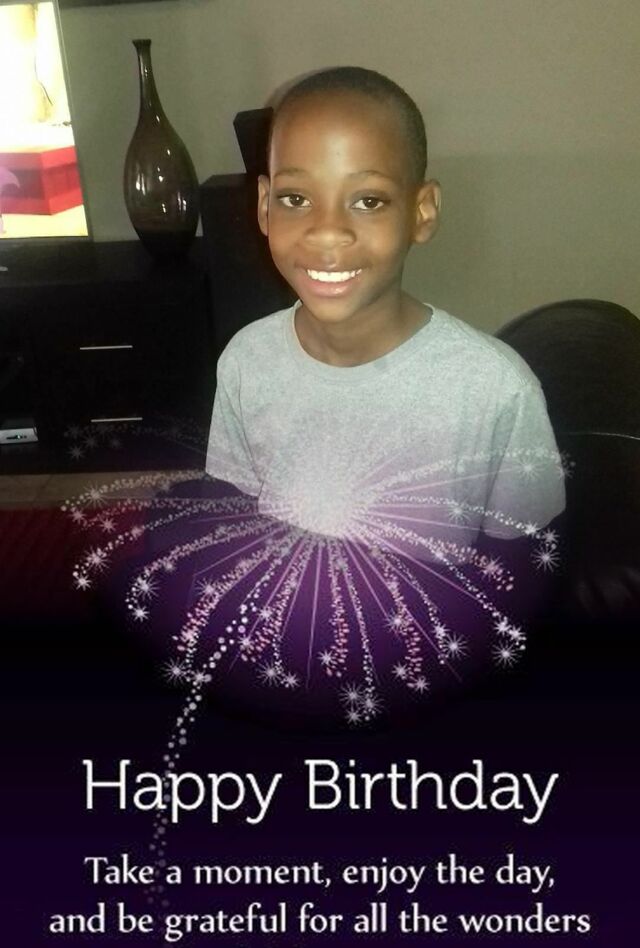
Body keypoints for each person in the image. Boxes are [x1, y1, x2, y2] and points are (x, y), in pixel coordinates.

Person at [206, 66, 565, 548]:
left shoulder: (496, 391)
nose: (327, 232)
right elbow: (233, 526)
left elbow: (525, 566)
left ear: (422, 211)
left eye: (369, 201)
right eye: (295, 198)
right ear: (264, 206)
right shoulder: (246, 362)